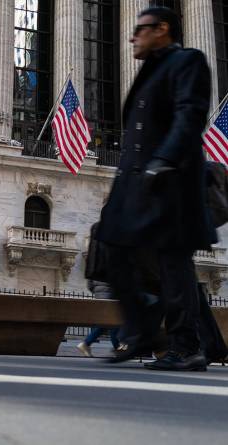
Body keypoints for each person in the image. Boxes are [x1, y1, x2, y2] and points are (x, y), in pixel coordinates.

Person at [97, 7, 217, 371]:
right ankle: (144, 329)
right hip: (134, 182)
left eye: (141, 30)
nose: (133, 36)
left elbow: (189, 115)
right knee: (109, 247)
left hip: (168, 180)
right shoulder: (150, 70)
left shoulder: (187, 61)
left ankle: (186, 345)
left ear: (162, 29)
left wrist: (164, 160)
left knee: (173, 264)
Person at [76, 280, 120, 357]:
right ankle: (86, 343)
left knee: (110, 323)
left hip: (99, 297)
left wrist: (97, 292)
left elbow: (90, 285)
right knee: (113, 323)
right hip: (112, 296)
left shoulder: (96, 267)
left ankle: (118, 349)